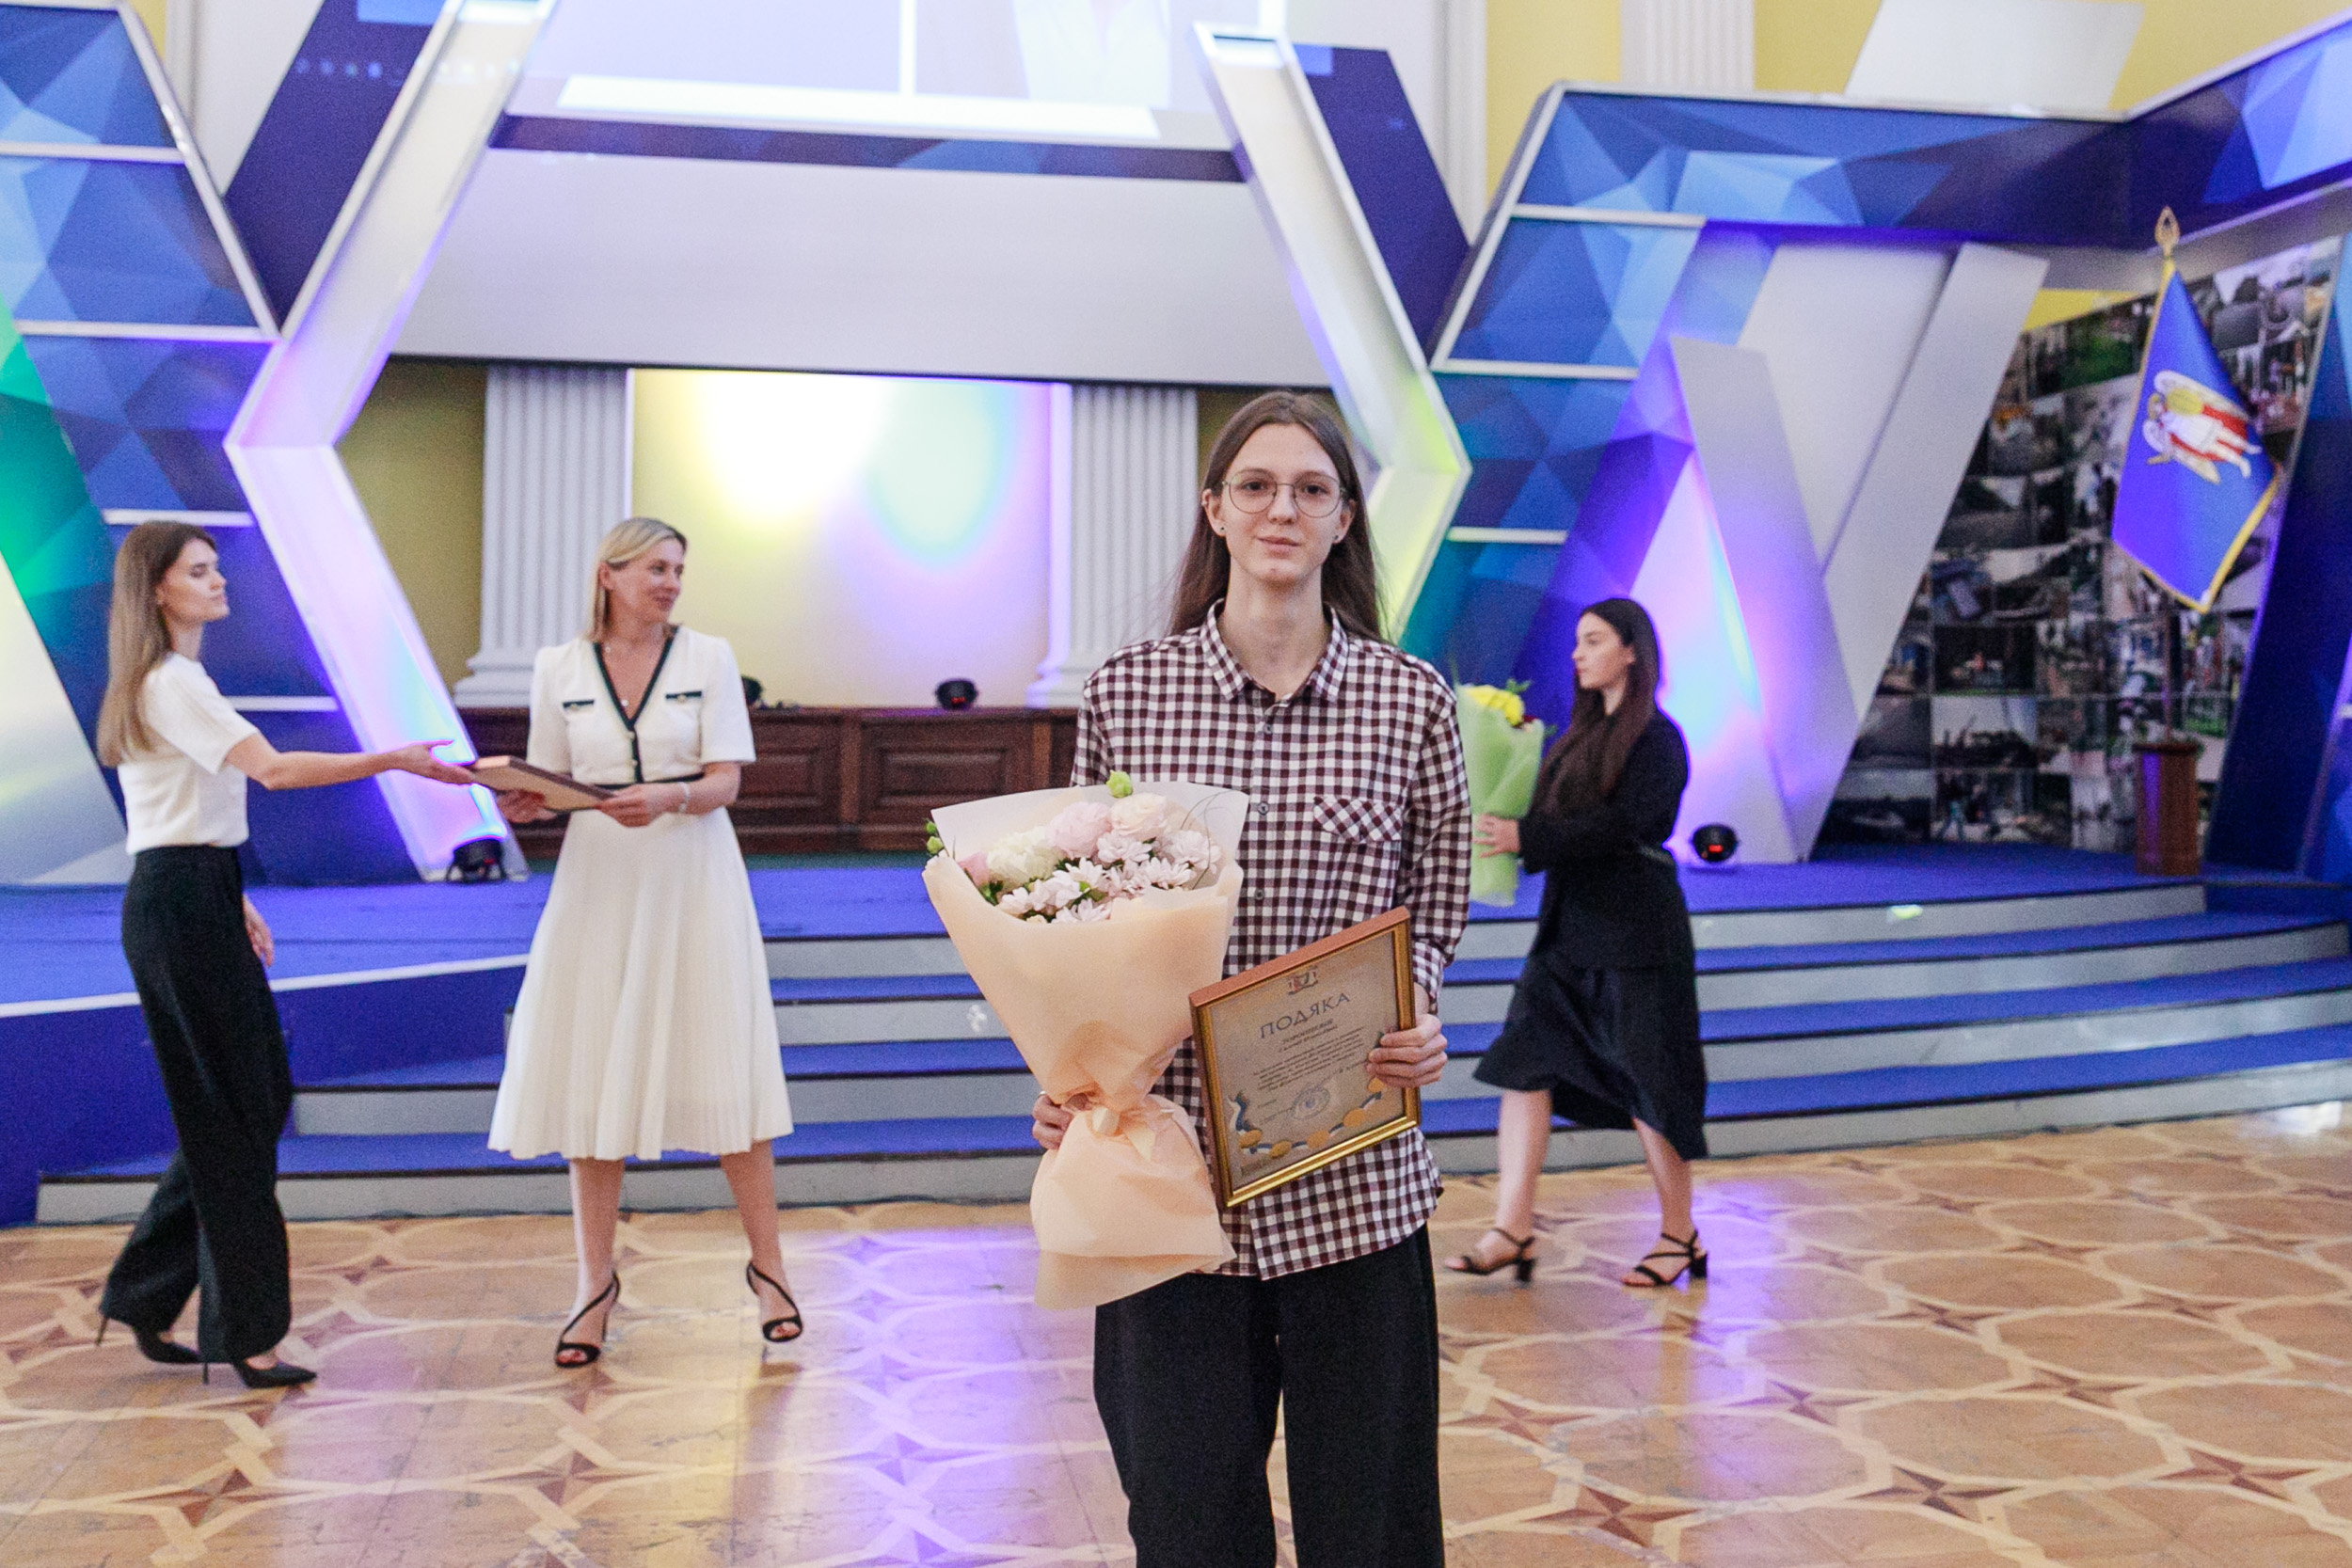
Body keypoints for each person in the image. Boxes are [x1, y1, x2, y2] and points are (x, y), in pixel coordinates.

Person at [1034, 391, 1470, 1567]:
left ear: (1344, 520)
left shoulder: (1409, 698)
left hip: (1353, 1181)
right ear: (1215, 510)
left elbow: (1436, 894)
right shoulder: (1131, 691)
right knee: (1187, 1527)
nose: (1284, 508)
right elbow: (1075, 915)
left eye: (1312, 488)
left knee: (1372, 1531)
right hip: (1171, 1182)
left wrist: (1420, 1008)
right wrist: (1069, 1070)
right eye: (1258, 485)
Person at [93, 522, 476, 1387]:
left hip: (192, 892)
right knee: (236, 1111)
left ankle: (146, 1292)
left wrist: (231, 897)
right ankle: (246, 1331)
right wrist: (394, 760)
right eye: (199, 570)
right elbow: (273, 771)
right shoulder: (172, 681)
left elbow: (178, 810)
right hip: (179, 902)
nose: (218, 580)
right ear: (158, 589)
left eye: (214, 566)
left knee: (245, 1104)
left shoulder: (173, 679)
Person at [487, 516, 799, 1367]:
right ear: (610, 574)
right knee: (592, 1075)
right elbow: (555, 782)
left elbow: (725, 780)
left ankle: (769, 1267)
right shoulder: (558, 666)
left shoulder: (709, 657)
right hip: (598, 882)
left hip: (694, 876)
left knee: (727, 1064)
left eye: (677, 569)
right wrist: (527, 801)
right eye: (655, 568)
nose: (669, 582)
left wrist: (669, 796)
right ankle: (593, 1285)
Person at [1447, 597, 1709, 1290]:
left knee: (1651, 1082)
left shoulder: (1658, 739)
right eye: (1577, 641)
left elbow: (1631, 824)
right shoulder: (1577, 735)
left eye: (1593, 640)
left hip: (1635, 934)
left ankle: (1680, 1233)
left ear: (1632, 650)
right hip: (1567, 933)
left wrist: (1528, 836)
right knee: (1523, 1065)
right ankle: (1512, 1227)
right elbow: (1555, 818)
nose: (1577, 653)